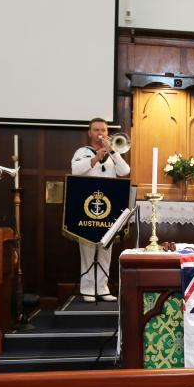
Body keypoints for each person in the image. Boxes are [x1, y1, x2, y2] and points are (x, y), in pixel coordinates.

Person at [71, 118, 131, 302]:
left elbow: (125, 171)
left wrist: (111, 151)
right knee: (88, 247)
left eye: (103, 130)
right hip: (87, 207)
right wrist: (97, 156)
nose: (100, 133)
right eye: (96, 129)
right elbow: (76, 170)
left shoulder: (114, 152)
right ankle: (88, 288)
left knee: (106, 248)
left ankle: (103, 287)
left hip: (109, 207)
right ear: (89, 133)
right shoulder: (82, 152)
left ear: (107, 132)